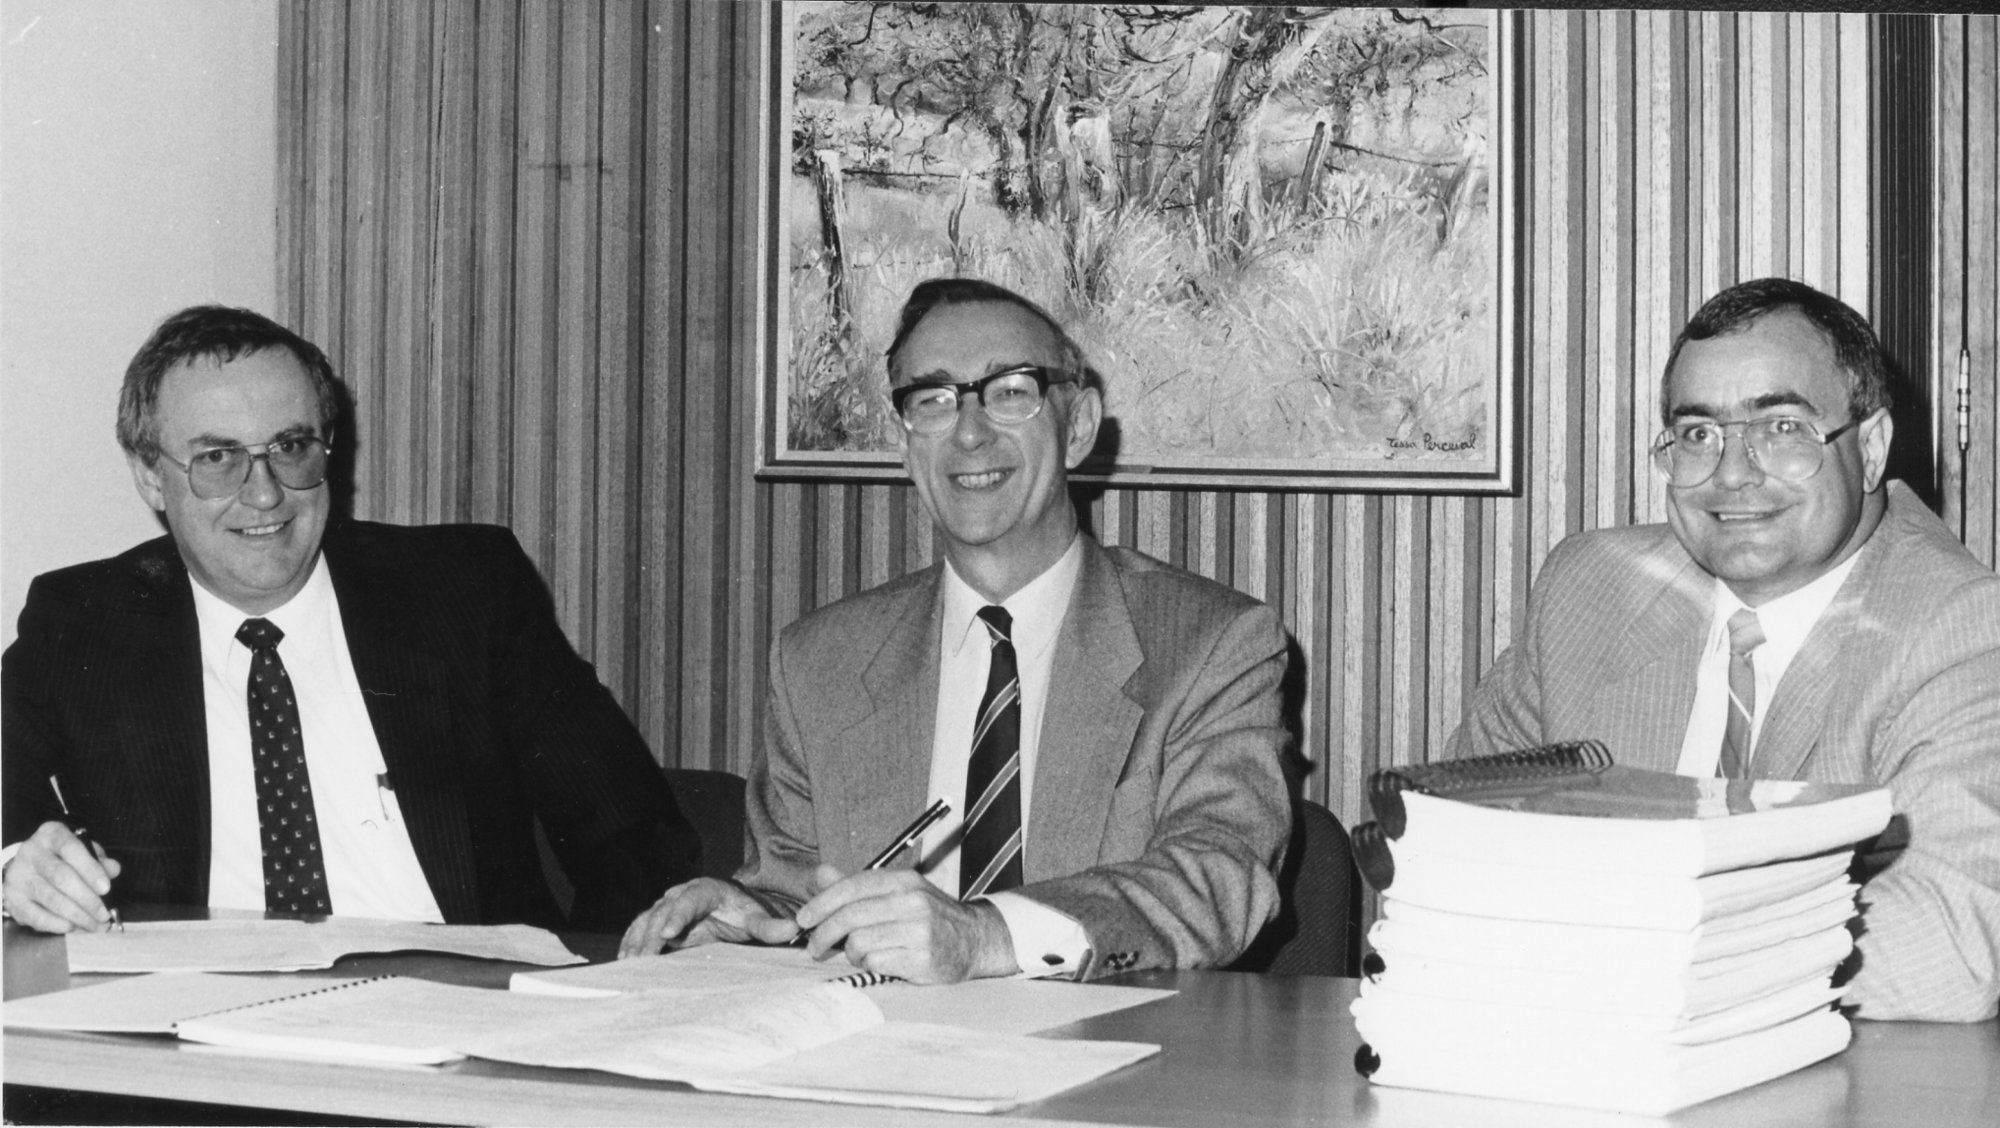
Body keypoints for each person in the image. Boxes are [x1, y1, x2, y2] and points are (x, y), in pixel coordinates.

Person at [621, 278, 1290, 983]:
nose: (970, 432)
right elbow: (797, 899)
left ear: (1079, 427)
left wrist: (982, 936)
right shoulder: (817, 663)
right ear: (904, 444)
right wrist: (748, 922)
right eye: (933, 400)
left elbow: (1220, 877)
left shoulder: (1211, 644)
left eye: (1010, 392)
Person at [2, 305, 700, 934]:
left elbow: (630, 827)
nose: (265, 493)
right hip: (197, 1015)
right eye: (218, 458)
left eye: (290, 447)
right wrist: (14, 865)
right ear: (151, 475)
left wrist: (597, 980)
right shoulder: (85, 620)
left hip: (456, 1000)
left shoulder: (465, 592)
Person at [1448, 277, 2000, 1022]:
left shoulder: (1964, 628)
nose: (1732, 474)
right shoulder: (1589, 588)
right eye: (1698, 434)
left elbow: (1952, 948)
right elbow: (1448, 852)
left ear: (1870, 449)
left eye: (1782, 428)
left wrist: (1627, 950)